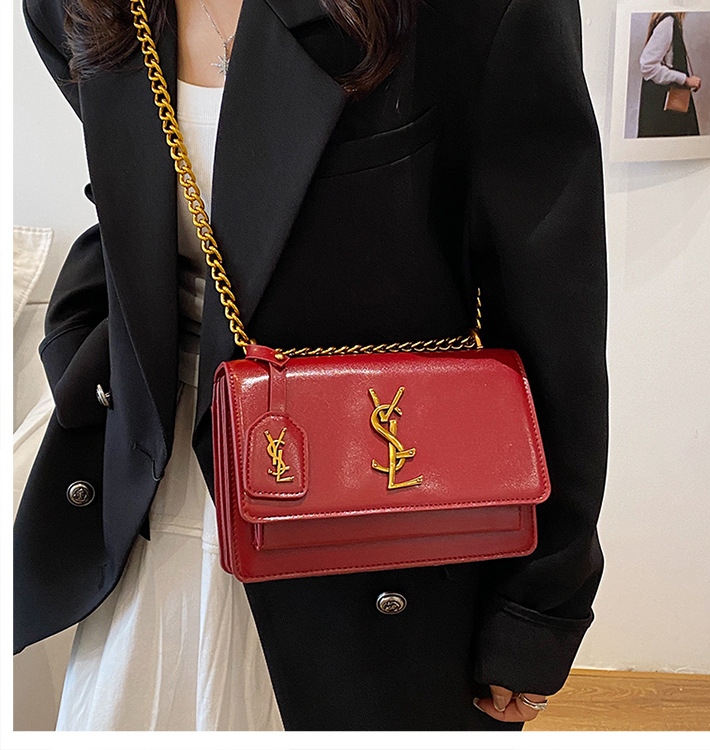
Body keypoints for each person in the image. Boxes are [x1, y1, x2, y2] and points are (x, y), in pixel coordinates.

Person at [15, 0, 609, 732]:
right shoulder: (74, 8)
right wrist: (77, 345)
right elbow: (141, 193)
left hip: (372, 535)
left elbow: (553, 306)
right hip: (153, 510)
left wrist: (538, 607)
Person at [638, 11, 701, 137]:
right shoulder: (668, 23)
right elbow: (647, 66)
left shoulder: (668, 22)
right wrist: (685, 80)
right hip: (663, 109)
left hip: (662, 107)